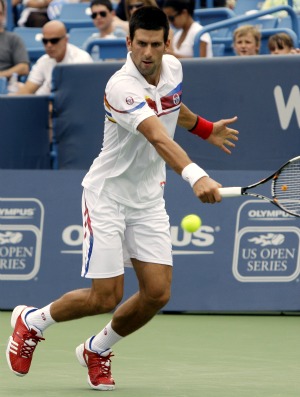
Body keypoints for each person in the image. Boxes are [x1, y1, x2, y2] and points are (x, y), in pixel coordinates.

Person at [6, 6, 239, 391]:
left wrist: (204, 128)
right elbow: (157, 135)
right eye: (140, 44)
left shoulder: (175, 69)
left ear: (166, 44)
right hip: (107, 196)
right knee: (105, 296)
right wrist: (195, 175)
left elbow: (172, 108)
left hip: (148, 198)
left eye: (154, 44)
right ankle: (32, 321)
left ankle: (96, 349)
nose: (147, 53)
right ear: (128, 42)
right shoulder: (121, 86)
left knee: (157, 293)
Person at [15, 20, 93, 95]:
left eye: (54, 40)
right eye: (45, 41)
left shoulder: (82, 60)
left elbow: (80, 95)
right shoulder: (43, 61)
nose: (49, 45)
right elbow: (27, 91)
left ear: (66, 40)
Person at [0, 0, 30, 79]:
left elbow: (24, 67)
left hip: (6, 86)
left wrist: (1, 75)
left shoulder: (13, 39)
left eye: (0, 13)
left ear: (4, 15)